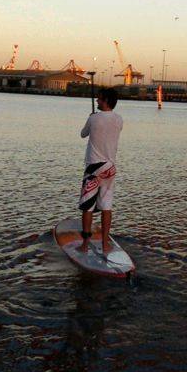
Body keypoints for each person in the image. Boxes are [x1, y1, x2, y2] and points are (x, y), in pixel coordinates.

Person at [77, 87, 123, 256]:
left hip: (94, 168)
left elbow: (83, 134)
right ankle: (105, 244)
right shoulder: (119, 120)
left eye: (99, 99)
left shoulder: (94, 118)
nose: (96, 101)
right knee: (106, 206)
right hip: (110, 168)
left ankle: (85, 245)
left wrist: (91, 118)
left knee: (87, 207)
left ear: (105, 100)